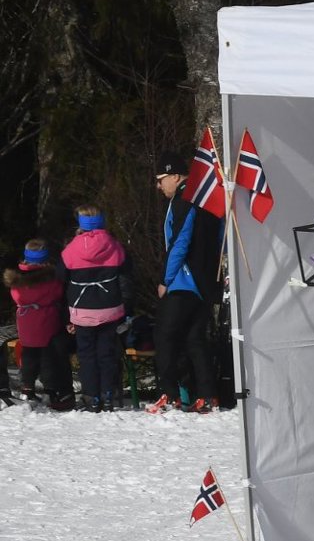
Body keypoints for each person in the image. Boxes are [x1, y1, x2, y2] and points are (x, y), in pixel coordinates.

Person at [148, 151, 224, 412]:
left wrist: (164, 279)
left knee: (164, 336)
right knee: (194, 338)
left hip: (184, 282)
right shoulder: (207, 199)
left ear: (176, 176)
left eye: (161, 179)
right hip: (205, 283)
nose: (159, 185)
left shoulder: (185, 200)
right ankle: (207, 395)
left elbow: (180, 242)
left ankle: (169, 394)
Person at [61, 207, 134, 412]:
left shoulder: (70, 249)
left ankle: (91, 396)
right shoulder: (115, 246)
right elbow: (127, 279)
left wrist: (66, 315)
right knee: (107, 353)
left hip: (82, 311)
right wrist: (127, 307)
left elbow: (62, 281)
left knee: (86, 355)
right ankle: (108, 395)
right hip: (110, 309)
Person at [5, 240, 72, 409]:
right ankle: (50, 390)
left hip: (26, 320)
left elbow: (16, 297)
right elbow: (57, 293)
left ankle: (27, 388)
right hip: (45, 319)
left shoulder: (17, 279)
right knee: (47, 356)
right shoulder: (49, 278)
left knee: (28, 355)